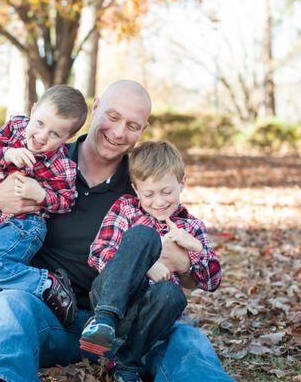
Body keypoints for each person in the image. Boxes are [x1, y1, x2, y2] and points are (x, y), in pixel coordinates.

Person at [0, 80, 234, 382]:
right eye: (112, 117)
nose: (119, 132)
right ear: (95, 108)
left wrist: (185, 263)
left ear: (143, 130)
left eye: (133, 126)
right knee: (8, 304)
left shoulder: (143, 183)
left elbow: (192, 278)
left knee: (184, 336)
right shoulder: (46, 158)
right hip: (52, 319)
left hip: (125, 328)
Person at [79, 141, 222, 381]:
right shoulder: (126, 209)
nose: (159, 202)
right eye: (149, 194)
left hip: (152, 316)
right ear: (136, 189)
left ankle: (128, 365)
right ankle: (102, 323)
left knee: (172, 294)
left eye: (167, 192)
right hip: (112, 299)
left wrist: (195, 248)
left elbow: (212, 282)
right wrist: (146, 265)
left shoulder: (191, 226)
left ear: (182, 184)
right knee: (144, 236)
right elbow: (99, 252)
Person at [0, 85, 87, 353]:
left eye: (55, 133)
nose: (41, 136)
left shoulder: (62, 163)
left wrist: (41, 194)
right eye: (40, 123)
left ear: (69, 137)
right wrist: (6, 154)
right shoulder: (16, 128)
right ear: (33, 110)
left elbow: (67, 200)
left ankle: (47, 284)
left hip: (26, 225)